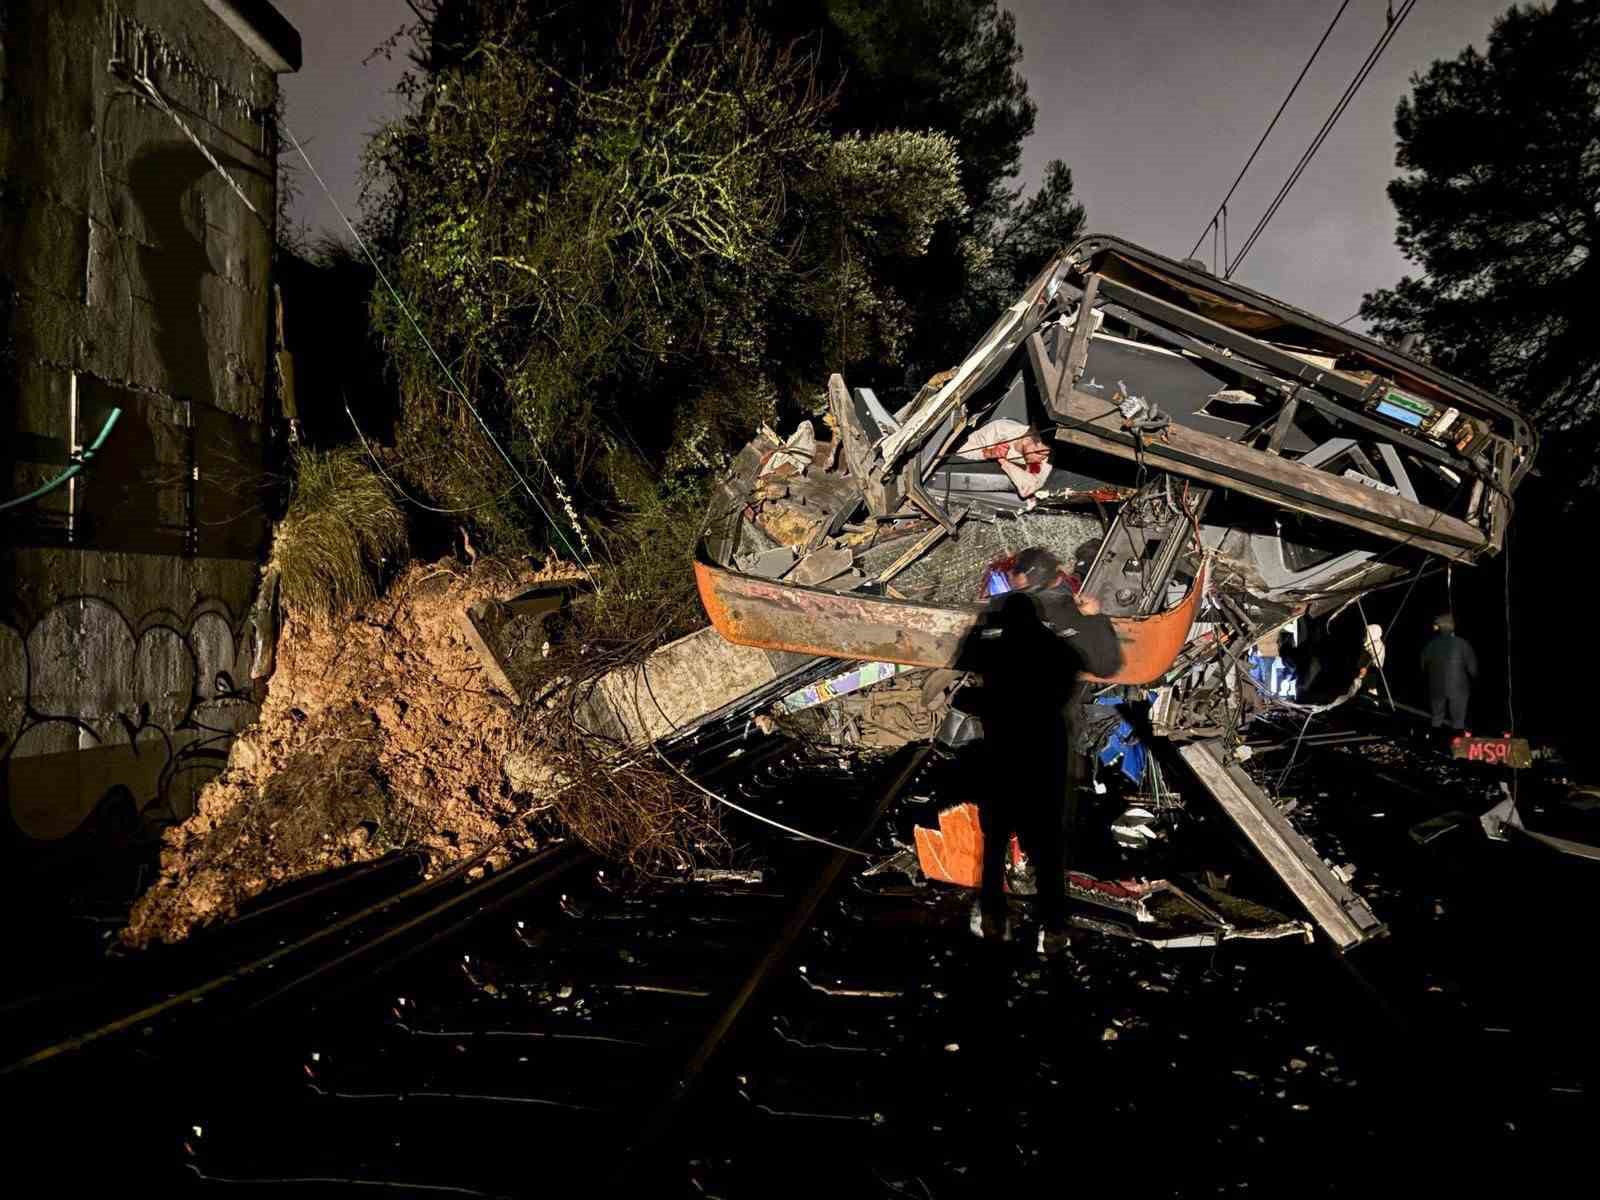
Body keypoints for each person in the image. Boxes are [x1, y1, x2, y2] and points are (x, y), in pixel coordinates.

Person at [962, 547, 1121, 956]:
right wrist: (1096, 619)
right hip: (1049, 751)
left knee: (996, 839)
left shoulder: (993, 639)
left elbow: (965, 662)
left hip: (1002, 750)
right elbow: (1105, 665)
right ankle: (1052, 928)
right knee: (1049, 844)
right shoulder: (1061, 645)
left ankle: (993, 919)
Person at [1421, 613, 1477, 736]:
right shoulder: (1463, 644)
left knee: (1436, 718)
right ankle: (1457, 744)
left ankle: (1435, 742)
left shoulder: (1431, 645)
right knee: (1458, 721)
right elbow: (1473, 669)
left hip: (1436, 687)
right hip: (1459, 688)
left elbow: (1423, 666)